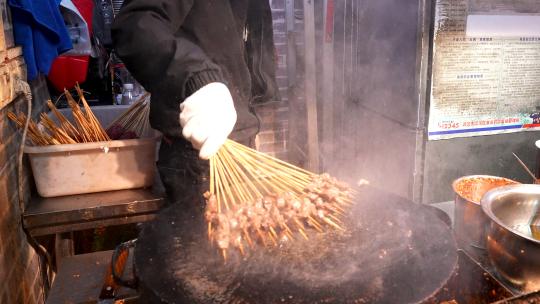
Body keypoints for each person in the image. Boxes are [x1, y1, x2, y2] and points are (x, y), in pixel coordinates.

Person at [112, 1, 280, 213]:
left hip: (241, 144)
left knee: (249, 239)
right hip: (194, 156)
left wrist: (261, 93)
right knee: (198, 244)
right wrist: (198, 78)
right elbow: (136, 24)